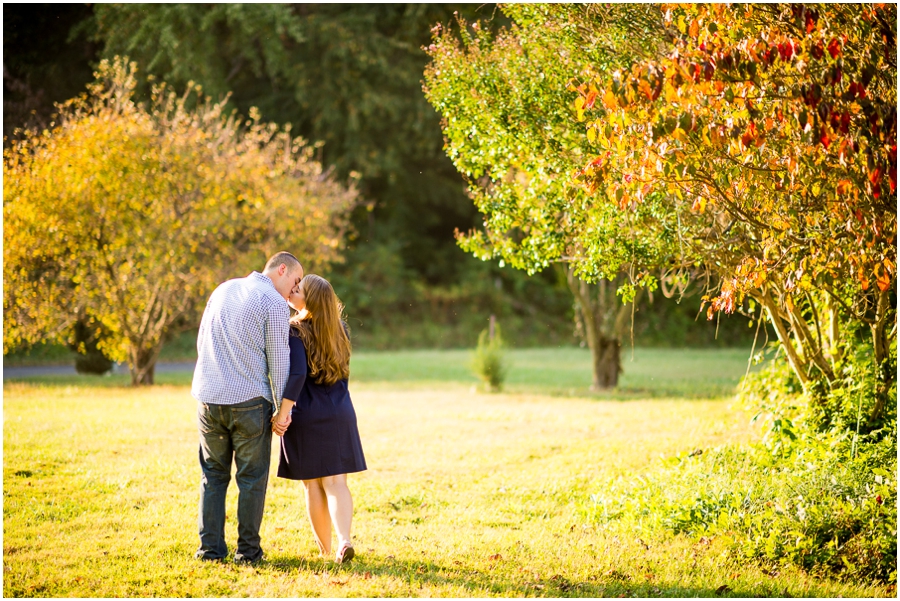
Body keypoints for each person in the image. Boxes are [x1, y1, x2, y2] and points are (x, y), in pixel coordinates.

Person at [191, 252, 303, 563]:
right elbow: (280, 362)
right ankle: (248, 552)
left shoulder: (223, 288)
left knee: (212, 475)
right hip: (249, 401)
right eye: (294, 281)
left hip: (209, 397)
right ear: (282, 269)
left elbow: (202, 341)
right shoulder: (274, 302)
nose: (294, 290)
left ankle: (210, 551)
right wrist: (284, 411)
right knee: (252, 478)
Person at [272, 274, 366, 564]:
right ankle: (344, 541)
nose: (292, 291)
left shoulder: (295, 330)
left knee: (313, 485)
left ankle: (326, 551)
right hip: (340, 412)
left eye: (298, 290)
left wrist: (282, 413)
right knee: (337, 482)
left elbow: (298, 375)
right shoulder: (342, 330)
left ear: (310, 300)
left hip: (307, 415)